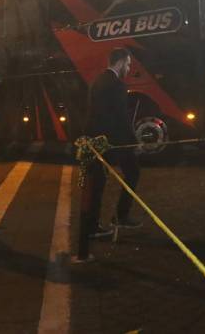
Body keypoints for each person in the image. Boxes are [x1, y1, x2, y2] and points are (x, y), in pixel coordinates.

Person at [75, 47, 141, 263]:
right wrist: (134, 141)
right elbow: (121, 117)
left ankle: (94, 225)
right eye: (129, 64)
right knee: (132, 173)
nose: (129, 69)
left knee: (97, 182)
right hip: (112, 140)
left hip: (96, 139)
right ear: (121, 62)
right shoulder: (117, 85)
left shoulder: (98, 81)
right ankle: (120, 216)